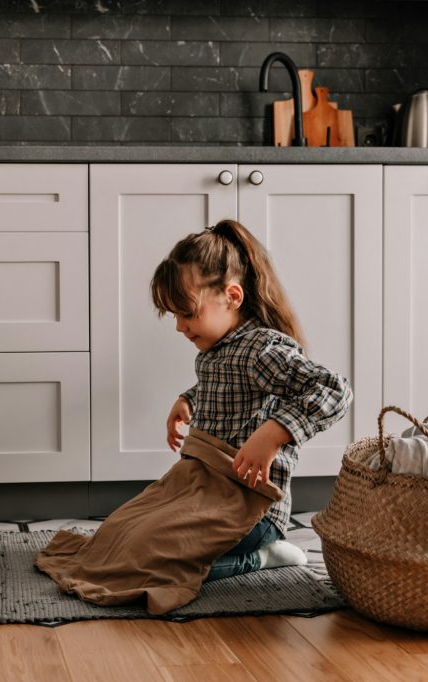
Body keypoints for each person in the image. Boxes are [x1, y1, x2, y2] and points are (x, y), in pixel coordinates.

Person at [151, 219, 352, 581]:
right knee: (134, 532)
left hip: (251, 511)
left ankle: (262, 556)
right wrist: (188, 400)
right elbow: (226, 387)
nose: (180, 326)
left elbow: (334, 390)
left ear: (232, 297)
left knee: (162, 565)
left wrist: (275, 433)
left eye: (187, 313)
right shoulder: (216, 351)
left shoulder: (262, 348)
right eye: (175, 316)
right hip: (209, 495)